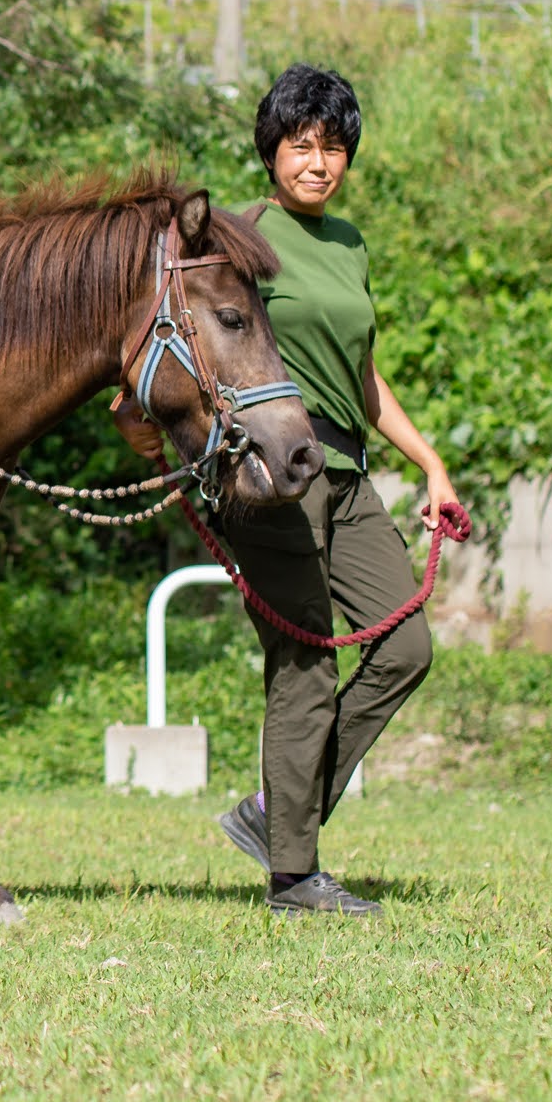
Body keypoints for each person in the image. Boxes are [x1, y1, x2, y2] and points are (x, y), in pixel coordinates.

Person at [128, 63, 462, 917]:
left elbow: (363, 373)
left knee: (405, 647)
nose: (318, 163)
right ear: (271, 152)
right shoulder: (239, 240)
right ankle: (293, 875)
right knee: (306, 658)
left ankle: (279, 811)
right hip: (267, 473)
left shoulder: (347, 243)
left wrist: (429, 464)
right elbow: (188, 344)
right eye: (300, 146)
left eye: (334, 147)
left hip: (345, 472)